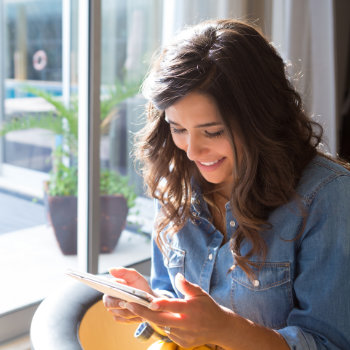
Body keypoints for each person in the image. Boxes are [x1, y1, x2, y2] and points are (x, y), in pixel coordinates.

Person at [103, 19, 350, 350]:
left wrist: (226, 330)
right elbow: (175, 296)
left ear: (261, 119)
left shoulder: (326, 197)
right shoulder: (178, 183)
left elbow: (329, 343)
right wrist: (150, 301)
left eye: (212, 132)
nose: (192, 151)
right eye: (178, 128)